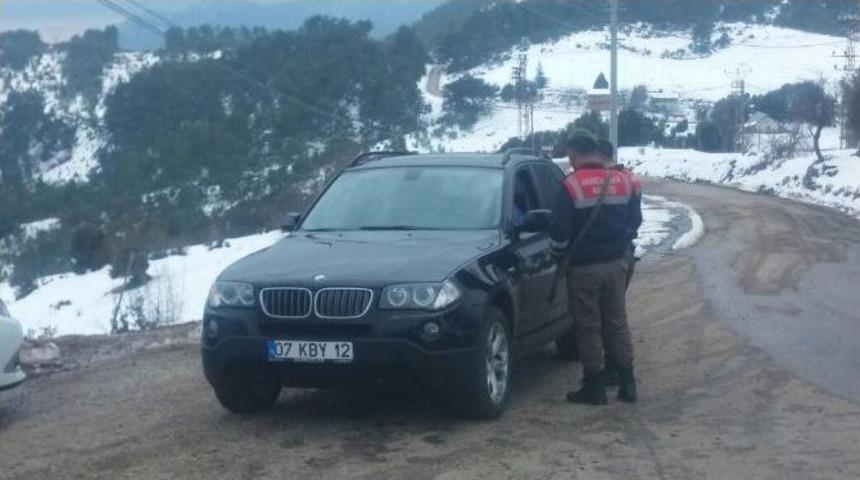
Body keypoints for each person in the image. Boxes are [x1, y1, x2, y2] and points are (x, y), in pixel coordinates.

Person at [551, 130, 643, 405]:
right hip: (616, 264)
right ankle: (628, 384)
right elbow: (634, 221)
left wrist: (559, 256)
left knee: (589, 327)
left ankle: (595, 387)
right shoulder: (622, 181)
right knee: (617, 323)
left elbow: (559, 235)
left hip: (584, 269)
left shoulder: (570, 185)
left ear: (573, 153)